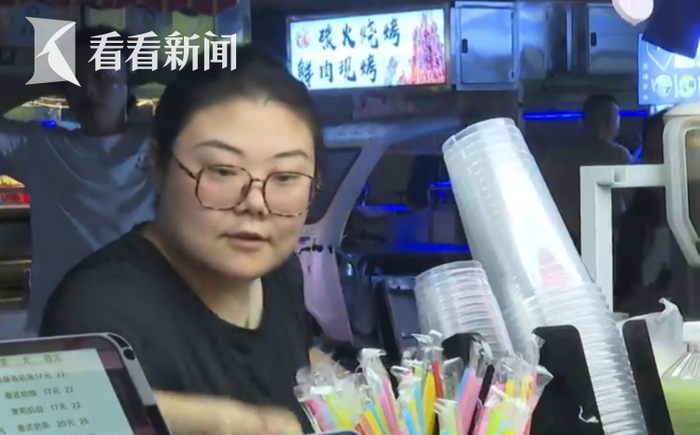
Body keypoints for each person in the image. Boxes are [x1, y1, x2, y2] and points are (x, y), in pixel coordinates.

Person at [40, 45, 327, 435]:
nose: (256, 204)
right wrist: (222, 424)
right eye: (222, 170)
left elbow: (294, 367)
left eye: (286, 177)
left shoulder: (280, 273)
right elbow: (72, 414)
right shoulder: (98, 311)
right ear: (159, 166)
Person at [0, 26, 164, 331]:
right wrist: (45, 76)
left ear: (128, 84)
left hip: (144, 325)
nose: (88, 90)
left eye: (102, 77)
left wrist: (150, 69)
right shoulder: (40, 147)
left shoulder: (158, 143)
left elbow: (219, 96)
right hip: (61, 329)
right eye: (77, 78)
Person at [540, 94, 633, 250]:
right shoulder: (618, 155)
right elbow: (631, 198)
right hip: (606, 238)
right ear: (611, 120)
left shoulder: (557, 153)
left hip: (563, 236)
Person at [615, 110, 669, 314]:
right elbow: (624, 291)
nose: (658, 164)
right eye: (653, 155)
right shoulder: (635, 220)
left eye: (666, 155)